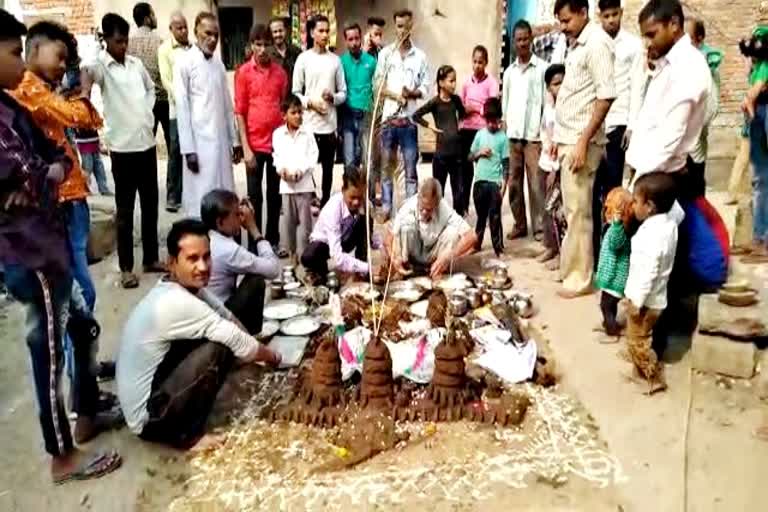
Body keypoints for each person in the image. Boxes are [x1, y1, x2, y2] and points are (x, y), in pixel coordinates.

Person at [0, 9, 122, 482]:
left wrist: (42, 171)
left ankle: (86, 408)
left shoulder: (12, 109)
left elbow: (52, 155)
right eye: (14, 54)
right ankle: (62, 455)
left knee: (81, 323)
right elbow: (31, 170)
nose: (63, 65)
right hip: (31, 250)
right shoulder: (20, 101)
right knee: (48, 349)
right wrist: (41, 174)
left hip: (45, 235)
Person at [117, 219, 281, 449]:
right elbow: (234, 338)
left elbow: (227, 316)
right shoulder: (176, 301)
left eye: (207, 256)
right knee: (220, 346)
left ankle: (185, 410)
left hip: (156, 387)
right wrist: (274, 357)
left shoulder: (186, 287)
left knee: (225, 335)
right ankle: (187, 437)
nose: (203, 267)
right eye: (192, 259)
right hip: (149, 419)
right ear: (171, 263)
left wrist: (252, 348)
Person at [10, 21, 103, 311]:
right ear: (34, 49)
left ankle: (81, 357)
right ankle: (75, 356)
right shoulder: (28, 87)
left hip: (68, 195)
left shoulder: (43, 90)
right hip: (59, 198)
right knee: (77, 294)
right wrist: (85, 92)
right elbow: (77, 116)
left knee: (73, 291)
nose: (63, 65)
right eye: (59, 56)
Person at [83, 13, 162, 289]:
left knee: (151, 205)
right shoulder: (102, 67)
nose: (123, 46)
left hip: (146, 144)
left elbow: (151, 89)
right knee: (126, 210)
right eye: (118, 41)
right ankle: (127, 267)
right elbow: (87, 70)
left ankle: (151, 258)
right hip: (122, 149)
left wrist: (146, 113)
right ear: (106, 40)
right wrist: (97, 50)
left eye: (125, 40)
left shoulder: (135, 64)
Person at [552, 0, 616, 299]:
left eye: (566, 21)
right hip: (568, 139)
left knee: (579, 213)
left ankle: (580, 279)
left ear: (582, 13)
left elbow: (605, 97)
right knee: (570, 210)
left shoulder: (597, 44)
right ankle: (570, 270)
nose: (562, 27)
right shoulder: (577, 44)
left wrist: (581, 141)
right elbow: (573, 93)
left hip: (583, 144)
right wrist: (558, 136)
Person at [623, 172, 684, 394]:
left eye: (636, 202)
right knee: (642, 338)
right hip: (657, 298)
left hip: (645, 301)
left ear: (649, 206)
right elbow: (679, 211)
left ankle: (651, 377)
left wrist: (636, 301)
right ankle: (641, 369)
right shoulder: (670, 223)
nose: (633, 205)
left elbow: (648, 271)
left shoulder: (651, 235)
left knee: (638, 340)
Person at [175, 12, 239, 218]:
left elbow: (227, 106)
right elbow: (182, 106)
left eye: (216, 35)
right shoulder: (184, 63)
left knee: (224, 195)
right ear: (196, 32)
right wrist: (188, 149)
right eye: (207, 33)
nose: (212, 39)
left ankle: (225, 241)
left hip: (220, 144)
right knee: (202, 200)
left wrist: (235, 140)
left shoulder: (219, 65)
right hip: (199, 146)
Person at [593, 0, 642, 266]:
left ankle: (613, 249)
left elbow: (636, 85)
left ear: (621, 14)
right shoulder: (595, 42)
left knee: (614, 191)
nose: (611, 20)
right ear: (599, 16)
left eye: (615, 15)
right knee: (595, 189)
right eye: (606, 16)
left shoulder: (633, 46)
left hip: (619, 122)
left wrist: (632, 125)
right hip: (597, 123)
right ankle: (597, 248)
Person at [235, 23, 288, 255]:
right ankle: (255, 244)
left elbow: (284, 109)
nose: (263, 49)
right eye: (258, 44)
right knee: (254, 198)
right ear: (251, 46)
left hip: (276, 145)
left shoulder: (280, 73)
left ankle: (273, 240)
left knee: (275, 196)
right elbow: (240, 112)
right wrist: (245, 148)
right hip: (254, 145)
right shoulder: (243, 73)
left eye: (267, 44)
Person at [375, 9, 430, 220]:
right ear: (394, 26)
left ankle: (409, 210)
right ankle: (387, 207)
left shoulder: (421, 57)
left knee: (410, 170)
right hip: (389, 120)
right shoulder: (385, 55)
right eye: (399, 26)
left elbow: (425, 87)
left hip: (409, 121)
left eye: (406, 26)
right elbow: (378, 86)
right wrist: (397, 96)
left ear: (412, 26)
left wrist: (412, 93)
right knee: (387, 168)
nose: (403, 31)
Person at [201, 190, 280, 334]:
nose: (241, 218)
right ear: (220, 222)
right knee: (256, 280)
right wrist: (254, 229)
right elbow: (273, 270)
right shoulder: (227, 249)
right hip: (219, 316)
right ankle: (251, 335)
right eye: (236, 215)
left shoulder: (209, 237)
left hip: (207, 312)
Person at [292, 14, 347, 206]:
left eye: (327, 30)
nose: (325, 35)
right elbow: (296, 92)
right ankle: (308, 199)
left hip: (329, 125)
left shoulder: (335, 61)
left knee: (328, 168)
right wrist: (310, 103)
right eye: (321, 31)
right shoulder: (303, 59)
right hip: (309, 125)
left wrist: (333, 97)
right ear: (312, 33)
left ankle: (325, 201)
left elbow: (343, 93)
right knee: (307, 166)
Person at [502, 19, 547, 241]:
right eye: (518, 40)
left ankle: (539, 228)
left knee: (536, 185)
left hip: (533, 136)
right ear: (513, 42)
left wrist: (544, 134)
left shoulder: (541, 69)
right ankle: (520, 224)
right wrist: (505, 128)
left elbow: (546, 104)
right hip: (513, 137)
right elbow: (506, 103)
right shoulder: (509, 72)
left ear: (531, 39)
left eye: (525, 39)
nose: (522, 44)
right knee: (514, 184)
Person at [385, 178, 478, 279]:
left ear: (437, 203)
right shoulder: (409, 206)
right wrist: (394, 257)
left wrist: (449, 256)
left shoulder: (443, 208)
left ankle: (439, 269)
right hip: (414, 252)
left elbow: (472, 235)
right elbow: (389, 236)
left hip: (434, 255)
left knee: (452, 233)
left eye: (429, 209)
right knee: (406, 226)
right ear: (418, 198)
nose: (424, 212)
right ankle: (405, 267)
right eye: (422, 208)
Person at [302, 166, 373, 280]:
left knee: (366, 219)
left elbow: (372, 238)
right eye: (352, 197)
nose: (356, 202)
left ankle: (361, 265)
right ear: (343, 190)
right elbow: (338, 259)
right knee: (309, 257)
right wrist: (369, 267)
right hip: (325, 244)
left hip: (345, 239)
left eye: (360, 197)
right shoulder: (333, 208)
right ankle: (317, 272)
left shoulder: (365, 204)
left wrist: (384, 248)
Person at [412, 65, 466, 213]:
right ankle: (438, 220)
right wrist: (430, 126)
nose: (454, 84)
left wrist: (459, 127)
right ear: (441, 83)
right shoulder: (435, 102)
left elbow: (463, 115)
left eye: (455, 81)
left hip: (456, 154)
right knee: (438, 192)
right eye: (451, 81)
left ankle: (459, 220)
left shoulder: (456, 100)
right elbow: (416, 115)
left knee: (459, 193)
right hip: (441, 155)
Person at [274, 94, 319, 265]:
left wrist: (302, 170)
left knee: (305, 225)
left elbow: (313, 155)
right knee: (289, 224)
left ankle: (305, 257)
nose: (298, 116)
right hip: (286, 187)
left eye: (300, 112)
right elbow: (276, 157)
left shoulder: (307, 133)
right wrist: (282, 171)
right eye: (294, 112)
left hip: (304, 185)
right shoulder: (278, 135)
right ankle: (293, 256)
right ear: (284, 115)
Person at [158, 11, 192, 213]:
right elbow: (165, 79)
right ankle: (173, 195)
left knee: (193, 152)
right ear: (171, 29)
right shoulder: (165, 50)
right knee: (175, 151)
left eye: (185, 27)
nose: (184, 31)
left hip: (195, 111)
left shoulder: (192, 48)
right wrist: (181, 97)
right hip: (176, 111)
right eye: (179, 27)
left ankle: (191, 193)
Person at [684, 18, 722, 197]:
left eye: (687, 38)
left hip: (695, 131)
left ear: (699, 39)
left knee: (695, 178)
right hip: (688, 136)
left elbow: (710, 107)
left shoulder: (704, 62)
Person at [459, 45, 499, 216]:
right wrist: (465, 110)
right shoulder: (466, 82)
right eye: (474, 62)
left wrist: (474, 108)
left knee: (485, 170)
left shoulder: (492, 83)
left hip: (483, 131)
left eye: (480, 62)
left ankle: (488, 208)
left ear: (486, 63)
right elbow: (460, 106)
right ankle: (463, 207)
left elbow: (492, 108)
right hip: (466, 130)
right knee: (465, 171)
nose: (477, 65)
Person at [741, 26, 768, 262]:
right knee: (760, 178)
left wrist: (748, 105)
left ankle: (763, 238)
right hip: (759, 115)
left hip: (762, 113)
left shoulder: (764, 67)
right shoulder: (758, 66)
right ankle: (760, 238)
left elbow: (752, 94)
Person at [128, 3, 169, 157]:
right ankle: (172, 181)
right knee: (172, 145)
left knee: (144, 147)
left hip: (141, 102)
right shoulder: (160, 42)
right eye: (153, 14)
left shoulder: (128, 43)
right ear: (147, 19)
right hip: (162, 99)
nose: (155, 17)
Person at [469, 98, 508, 256]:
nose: (492, 125)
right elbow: (470, 156)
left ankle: (498, 248)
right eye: (489, 121)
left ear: (500, 119)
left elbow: (506, 164)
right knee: (481, 216)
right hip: (479, 181)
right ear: (485, 119)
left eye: (495, 121)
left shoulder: (503, 138)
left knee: (495, 216)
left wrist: (504, 185)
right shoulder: (479, 135)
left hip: (494, 183)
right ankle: (476, 243)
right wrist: (479, 153)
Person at [594, 187, 633, 338]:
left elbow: (615, 244)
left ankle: (611, 329)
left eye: (611, 210)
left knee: (605, 305)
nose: (606, 213)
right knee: (610, 305)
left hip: (614, 279)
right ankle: (611, 323)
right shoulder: (620, 228)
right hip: (612, 277)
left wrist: (616, 224)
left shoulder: (620, 230)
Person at [538, 64, 567, 270]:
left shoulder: (569, 109)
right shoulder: (548, 108)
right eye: (556, 84)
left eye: (563, 82)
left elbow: (564, 140)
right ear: (548, 88)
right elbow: (544, 132)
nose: (560, 87)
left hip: (560, 167)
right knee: (547, 209)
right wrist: (547, 148)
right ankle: (550, 247)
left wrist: (556, 170)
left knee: (558, 211)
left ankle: (562, 255)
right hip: (546, 162)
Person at [340, 23, 377, 169]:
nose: (354, 43)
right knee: (349, 160)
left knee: (368, 160)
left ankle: (369, 192)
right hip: (348, 115)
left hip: (367, 115)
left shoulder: (371, 61)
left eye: (356, 38)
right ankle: (351, 191)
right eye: (350, 39)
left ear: (361, 38)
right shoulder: (341, 62)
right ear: (346, 41)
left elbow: (377, 87)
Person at [268, 16, 302, 87]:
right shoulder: (267, 54)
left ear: (285, 31)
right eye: (275, 32)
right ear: (271, 34)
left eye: (280, 31)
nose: (278, 34)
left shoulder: (296, 52)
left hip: (293, 96)